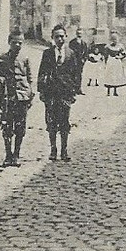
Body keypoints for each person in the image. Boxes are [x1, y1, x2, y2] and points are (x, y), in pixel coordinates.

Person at [37, 24, 79, 162]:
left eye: (62, 36)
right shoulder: (47, 53)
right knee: (51, 122)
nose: (60, 39)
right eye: (57, 37)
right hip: (51, 93)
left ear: (66, 37)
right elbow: (42, 72)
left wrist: (74, 92)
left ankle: (64, 150)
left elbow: (75, 75)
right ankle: (53, 149)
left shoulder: (71, 53)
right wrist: (41, 91)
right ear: (52, 38)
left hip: (65, 93)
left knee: (64, 122)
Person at [0, 29, 34, 166]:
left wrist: (31, 95)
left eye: (20, 43)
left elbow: (30, 78)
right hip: (8, 97)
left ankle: (16, 155)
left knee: (20, 127)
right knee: (7, 127)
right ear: (9, 42)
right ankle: (8, 155)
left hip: (23, 97)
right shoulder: (3, 59)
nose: (18, 45)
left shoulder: (25, 59)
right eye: (15, 43)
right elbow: (0, 79)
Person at [103, 30, 126, 97]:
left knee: (116, 75)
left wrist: (120, 56)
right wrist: (105, 63)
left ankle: (115, 91)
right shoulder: (108, 46)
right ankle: (108, 91)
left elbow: (124, 53)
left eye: (115, 39)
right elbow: (105, 55)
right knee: (109, 75)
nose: (114, 41)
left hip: (117, 61)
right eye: (113, 40)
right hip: (110, 61)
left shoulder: (120, 46)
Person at [68, 26, 89, 95]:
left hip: (80, 62)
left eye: (80, 33)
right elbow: (70, 52)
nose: (79, 34)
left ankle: (78, 89)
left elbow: (86, 52)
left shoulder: (84, 43)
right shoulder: (72, 42)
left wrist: (84, 59)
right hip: (73, 62)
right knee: (73, 75)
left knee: (79, 75)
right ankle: (72, 89)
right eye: (78, 33)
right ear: (76, 33)